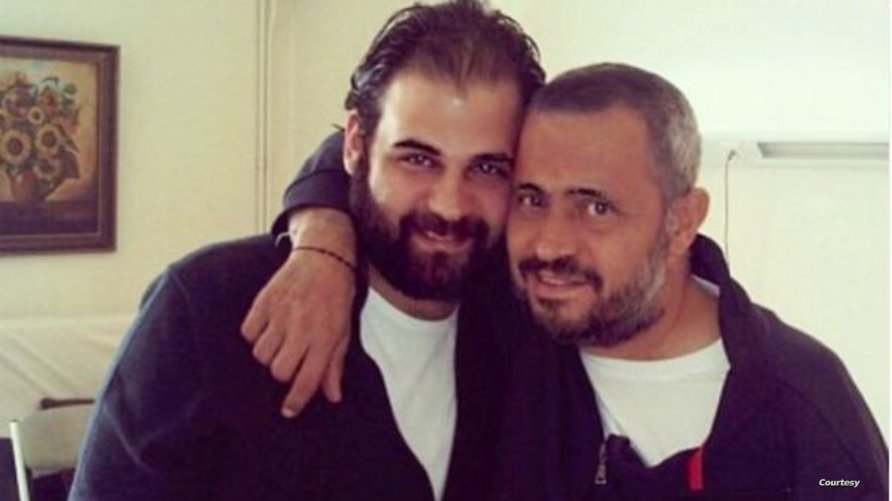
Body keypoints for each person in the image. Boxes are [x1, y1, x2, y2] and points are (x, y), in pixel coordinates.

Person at [242, 64, 888, 500]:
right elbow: (357, 145)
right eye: (531, 198)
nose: (550, 244)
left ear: (681, 221)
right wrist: (322, 243)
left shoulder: (802, 407)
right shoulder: (513, 319)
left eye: (596, 206)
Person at [69, 1, 544, 500]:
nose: (449, 205)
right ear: (355, 144)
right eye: (417, 159)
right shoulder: (208, 308)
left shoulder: (526, 327)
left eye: (487, 168)